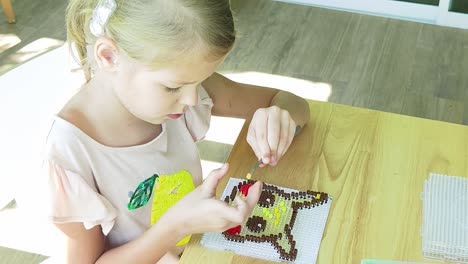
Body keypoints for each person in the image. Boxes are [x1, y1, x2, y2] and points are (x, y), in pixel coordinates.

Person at [43, 0, 311, 263]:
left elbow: (293, 103)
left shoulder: (181, 81)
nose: (194, 99)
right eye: (173, 87)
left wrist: (280, 118)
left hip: (197, 246)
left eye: (201, 81)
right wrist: (175, 227)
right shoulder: (71, 152)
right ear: (108, 56)